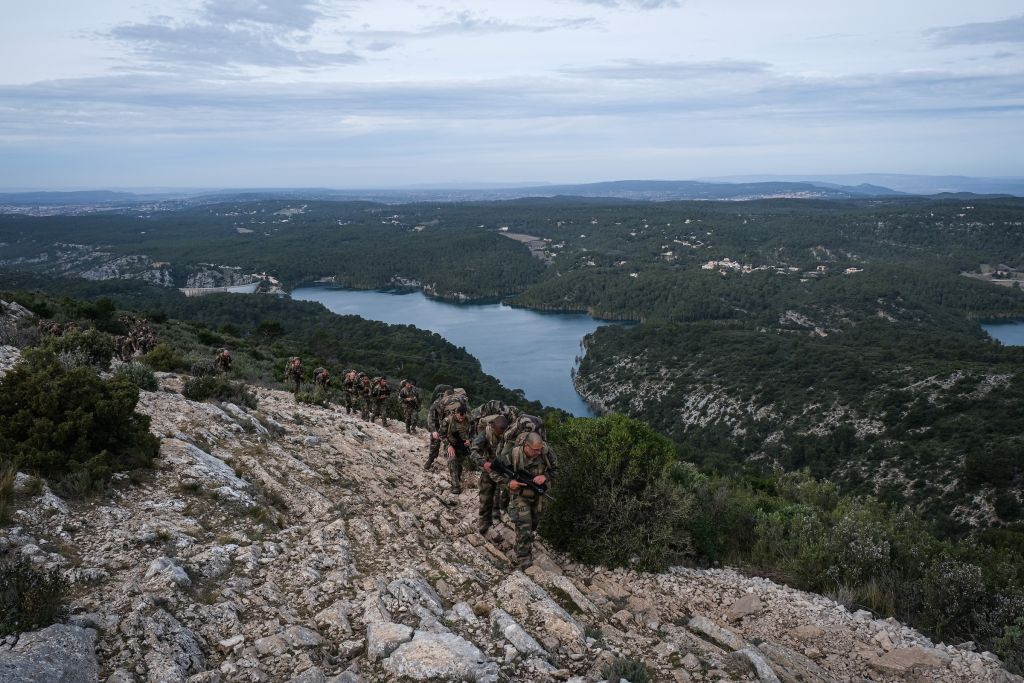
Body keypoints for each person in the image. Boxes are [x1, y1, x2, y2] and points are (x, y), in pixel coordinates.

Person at [505, 432, 557, 570]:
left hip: (537, 495)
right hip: (520, 494)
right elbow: (498, 471)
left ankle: (520, 545)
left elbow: (556, 470)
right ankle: (523, 559)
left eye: (540, 449)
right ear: (526, 446)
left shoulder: (546, 452)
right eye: (535, 450)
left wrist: (545, 476)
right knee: (525, 524)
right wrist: (509, 482)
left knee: (533, 524)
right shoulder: (514, 454)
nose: (539, 452)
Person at [470, 415, 509, 534]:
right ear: (493, 427)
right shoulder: (485, 434)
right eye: (498, 433)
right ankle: (484, 521)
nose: (500, 436)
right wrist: (483, 463)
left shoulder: (509, 436)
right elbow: (473, 451)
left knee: (508, 492)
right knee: (486, 494)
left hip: (505, 468)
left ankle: (502, 512)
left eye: (503, 433)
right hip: (489, 467)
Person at [439, 405, 473, 494]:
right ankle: (456, 486)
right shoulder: (447, 420)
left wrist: (470, 441)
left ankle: (457, 478)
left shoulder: (469, 420)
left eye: (463, 418)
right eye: (459, 418)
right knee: (452, 460)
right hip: (450, 444)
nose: (461, 420)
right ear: (455, 413)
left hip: (462, 445)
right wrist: (448, 445)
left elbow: (473, 433)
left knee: (460, 465)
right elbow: (441, 435)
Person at [424, 386, 454, 470]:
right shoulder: (437, 403)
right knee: (435, 443)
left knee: (451, 448)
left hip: (448, 428)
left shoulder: (454, 404)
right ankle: (430, 459)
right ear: (445, 396)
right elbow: (430, 418)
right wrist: (433, 431)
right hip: (437, 426)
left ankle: (454, 470)